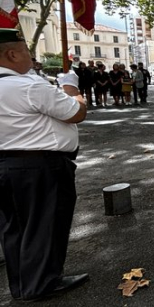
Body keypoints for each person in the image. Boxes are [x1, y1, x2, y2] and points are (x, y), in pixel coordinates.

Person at [0, 28, 89, 301]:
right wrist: (72, 88)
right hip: (39, 166)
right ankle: (42, 283)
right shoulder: (28, 86)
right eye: (27, 50)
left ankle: (23, 284)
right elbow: (76, 112)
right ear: (12, 54)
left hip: (6, 165)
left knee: (15, 227)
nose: (31, 56)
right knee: (45, 224)